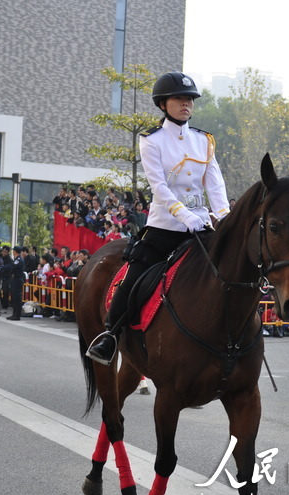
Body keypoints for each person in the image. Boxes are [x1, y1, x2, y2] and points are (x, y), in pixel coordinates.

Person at [86, 71, 229, 365]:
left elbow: (214, 183)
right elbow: (159, 187)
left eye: (190, 99)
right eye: (179, 99)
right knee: (136, 275)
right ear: (163, 104)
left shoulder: (204, 140)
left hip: (202, 225)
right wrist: (184, 215)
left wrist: (224, 217)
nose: (186, 104)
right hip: (166, 225)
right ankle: (110, 335)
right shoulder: (152, 141)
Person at [1, 246, 25, 320]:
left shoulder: (19, 259)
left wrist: (3, 267)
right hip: (15, 280)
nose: (12, 252)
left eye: (13, 250)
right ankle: (14, 314)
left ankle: (17, 315)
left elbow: (12, 267)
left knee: (17, 298)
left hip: (17, 280)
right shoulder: (16, 259)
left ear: (15, 251)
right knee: (14, 297)